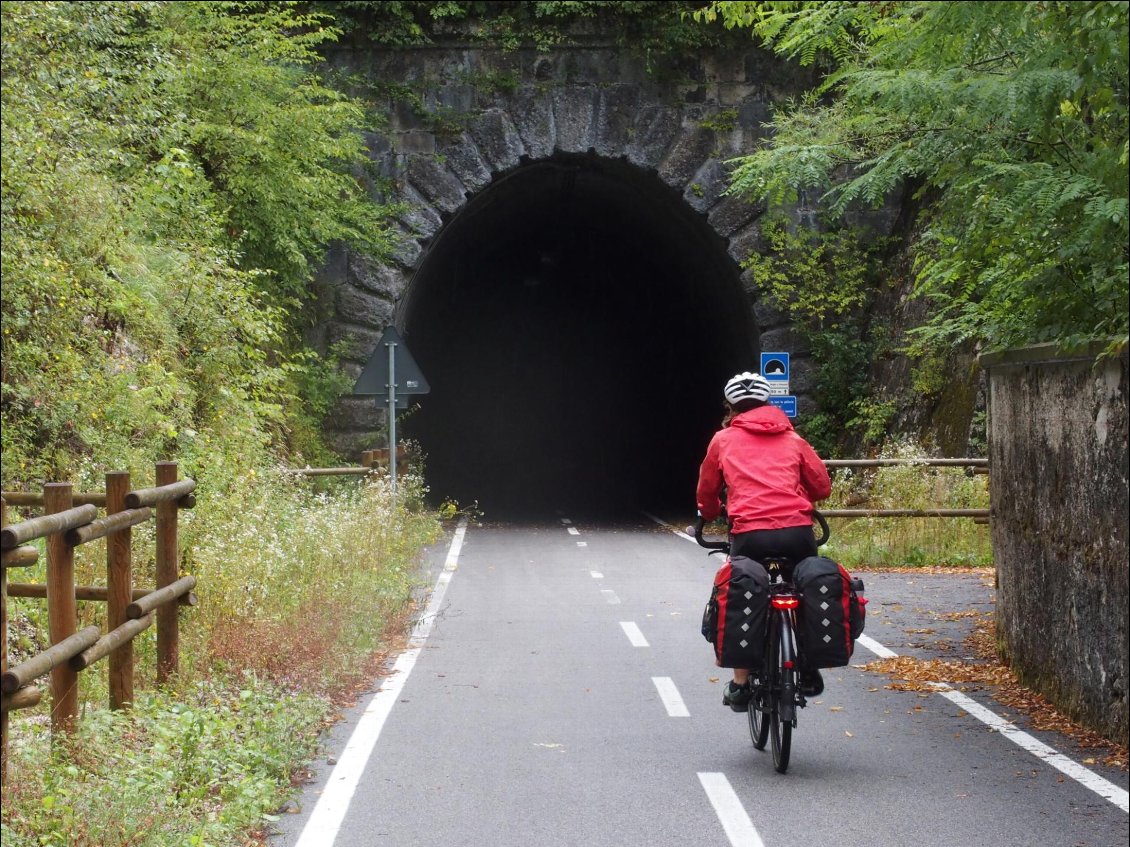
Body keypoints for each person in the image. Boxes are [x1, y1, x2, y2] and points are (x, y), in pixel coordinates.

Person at [696, 371, 832, 712]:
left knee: (743, 590)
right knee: (802, 585)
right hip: (797, 532)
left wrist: (710, 512)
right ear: (769, 402)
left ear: (730, 407)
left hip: (750, 534)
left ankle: (741, 684)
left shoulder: (722, 441)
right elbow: (821, 486)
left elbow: (708, 491)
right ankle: (809, 666)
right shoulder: (793, 439)